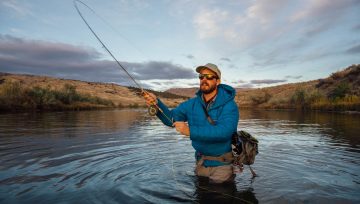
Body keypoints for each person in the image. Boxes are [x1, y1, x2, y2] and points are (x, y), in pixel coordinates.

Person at [143, 63, 239, 183]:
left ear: (217, 81)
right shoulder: (191, 104)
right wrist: (156, 103)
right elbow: (171, 119)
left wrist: (189, 131)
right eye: (201, 76)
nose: (204, 79)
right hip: (200, 162)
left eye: (209, 76)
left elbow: (224, 132)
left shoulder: (229, 105)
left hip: (222, 165)